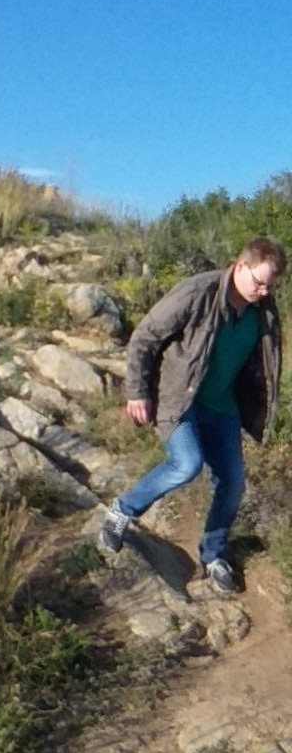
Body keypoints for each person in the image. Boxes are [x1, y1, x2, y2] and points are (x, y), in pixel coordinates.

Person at [102, 238, 285, 591]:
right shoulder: (198, 292)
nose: (263, 292)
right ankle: (122, 511)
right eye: (259, 283)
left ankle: (213, 555)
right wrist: (137, 392)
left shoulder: (264, 310)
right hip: (179, 399)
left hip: (223, 406)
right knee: (187, 465)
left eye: (269, 286)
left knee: (233, 483)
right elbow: (145, 337)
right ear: (241, 266)